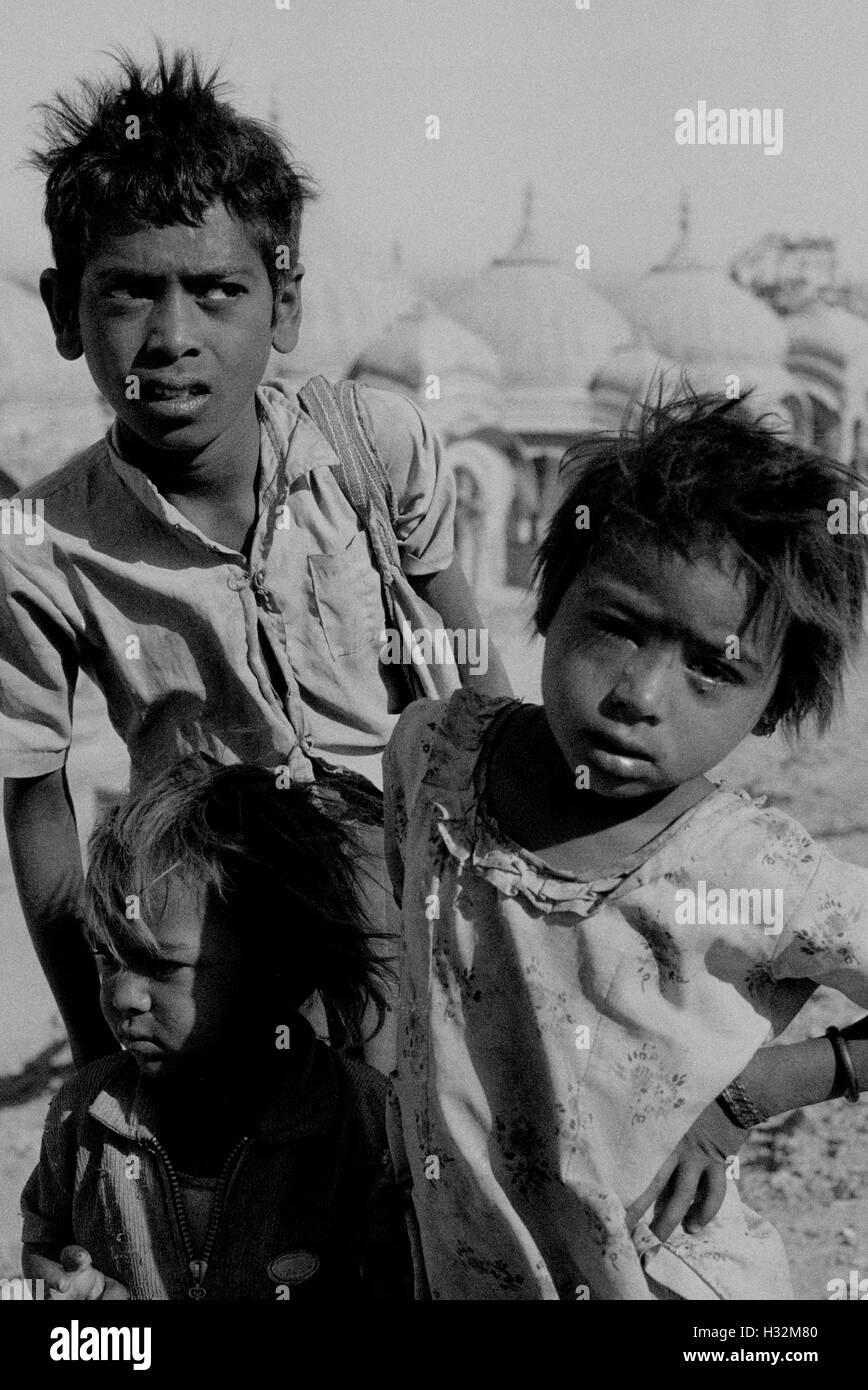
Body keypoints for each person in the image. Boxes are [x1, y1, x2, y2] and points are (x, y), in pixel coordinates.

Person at [0, 46, 510, 1069]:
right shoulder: (45, 547)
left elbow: (469, 659)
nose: (171, 337)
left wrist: (512, 859)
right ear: (64, 312)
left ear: (283, 304)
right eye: (129, 293)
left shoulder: (375, 445)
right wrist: (98, 1040)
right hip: (218, 924)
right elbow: (33, 789)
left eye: (217, 289)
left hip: (412, 870)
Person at [383, 390, 868, 1300]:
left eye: (713, 668)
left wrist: (762, 1088)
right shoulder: (432, 758)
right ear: (551, 598)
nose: (641, 692)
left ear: (776, 705)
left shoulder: (754, 869)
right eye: (616, 624)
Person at [21, 757, 422, 1300]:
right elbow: (44, 1244)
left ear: (277, 966)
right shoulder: (84, 1113)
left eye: (161, 967)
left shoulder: (363, 1125)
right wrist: (81, 1291)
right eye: (107, 957)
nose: (120, 995)